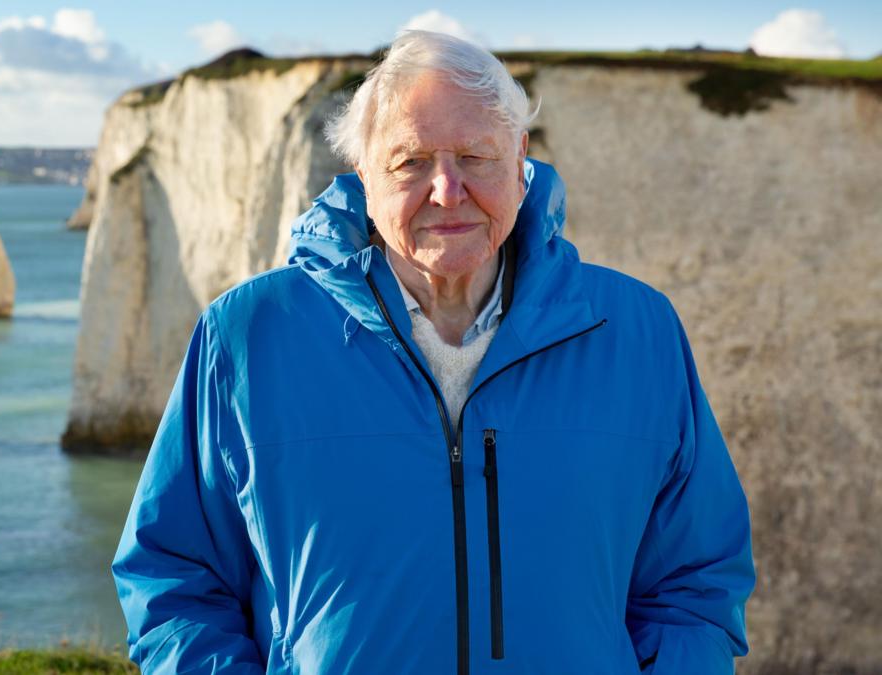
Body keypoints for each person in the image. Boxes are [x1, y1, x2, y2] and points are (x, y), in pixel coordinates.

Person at [111, 29, 755, 674]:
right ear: (363, 174)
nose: (447, 190)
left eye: (476, 157)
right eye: (411, 162)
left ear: (521, 159)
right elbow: (174, 578)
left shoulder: (636, 330)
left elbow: (694, 580)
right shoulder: (248, 334)